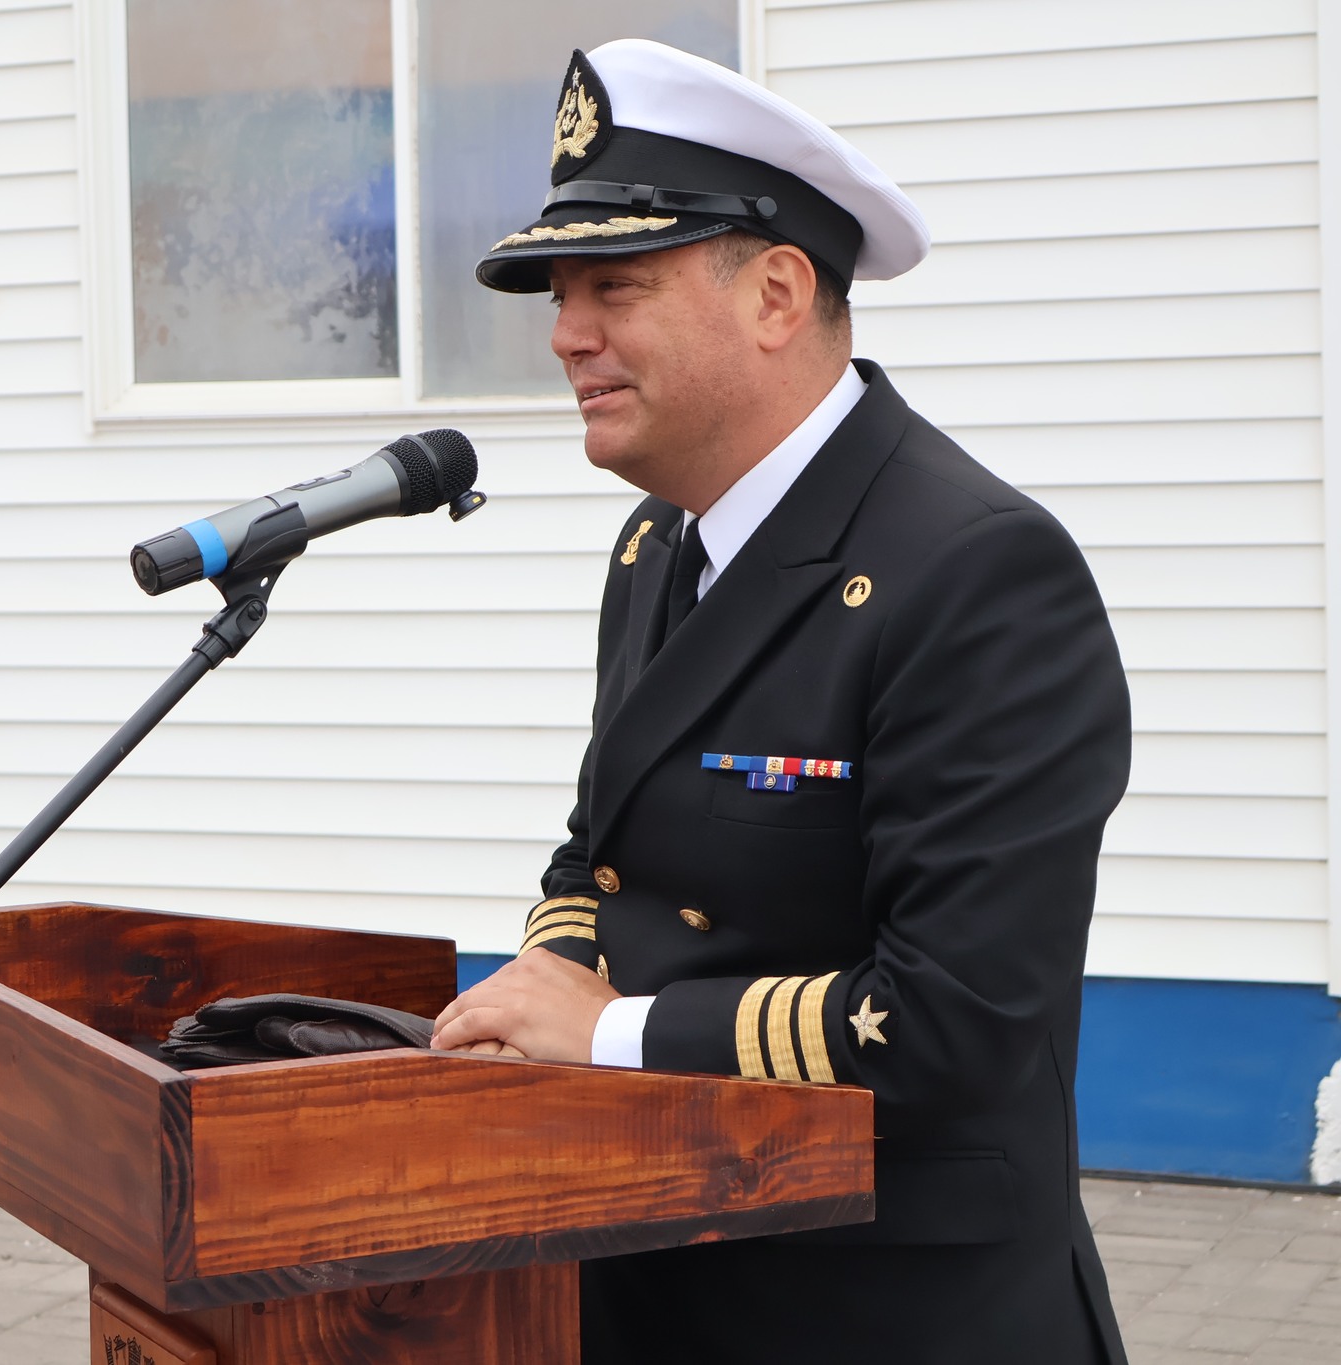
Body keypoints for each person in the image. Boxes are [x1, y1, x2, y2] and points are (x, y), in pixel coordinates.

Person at [427, 40, 1131, 1365]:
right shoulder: (660, 548)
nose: (567, 334)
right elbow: (601, 850)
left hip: (885, 1313)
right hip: (660, 1267)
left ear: (776, 293)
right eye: (559, 294)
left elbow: (953, 1023)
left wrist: (607, 1028)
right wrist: (554, 967)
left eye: (613, 287)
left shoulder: (978, 572)